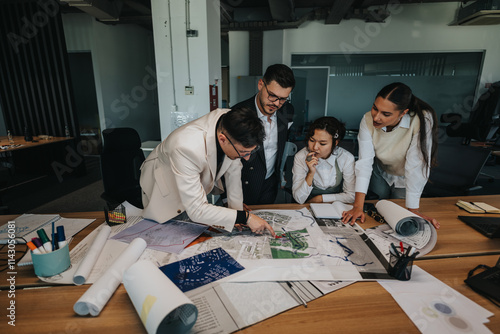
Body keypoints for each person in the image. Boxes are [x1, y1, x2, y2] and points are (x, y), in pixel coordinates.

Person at [140, 107, 276, 237]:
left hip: (188, 171)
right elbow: (197, 210)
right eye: (243, 152)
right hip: (164, 182)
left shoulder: (231, 123)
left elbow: (234, 171)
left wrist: (237, 212)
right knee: (170, 225)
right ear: (222, 139)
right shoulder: (186, 147)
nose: (247, 158)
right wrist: (246, 218)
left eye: (251, 152)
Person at [342, 82, 440, 229]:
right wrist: (357, 206)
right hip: (380, 172)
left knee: (402, 217)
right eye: (375, 108)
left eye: (386, 114)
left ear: (403, 113)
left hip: (406, 177)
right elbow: (365, 162)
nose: (376, 117)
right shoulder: (367, 119)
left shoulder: (422, 119)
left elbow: (416, 165)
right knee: (379, 212)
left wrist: (413, 210)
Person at [232, 64, 295, 205]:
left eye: (283, 99)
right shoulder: (238, 113)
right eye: (272, 96)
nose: (277, 104)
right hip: (241, 186)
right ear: (261, 84)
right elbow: (226, 157)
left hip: (270, 183)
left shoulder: (287, 110)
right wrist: (227, 197)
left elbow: (281, 143)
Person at [292, 116, 355, 205]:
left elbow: (351, 196)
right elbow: (299, 199)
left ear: (335, 143)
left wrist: (320, 199)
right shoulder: (301, 156)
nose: (315, 147)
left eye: (322, 143)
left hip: (335, 207)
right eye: (312, 140)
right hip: (306, 207)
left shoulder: (346, 158)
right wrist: (310, 173)